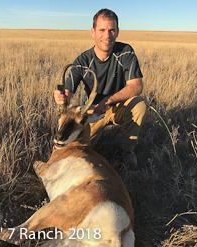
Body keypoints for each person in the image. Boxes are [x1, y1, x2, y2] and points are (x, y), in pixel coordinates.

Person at [54, 8, 147, 166]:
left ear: (117, 32)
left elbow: (137, 86)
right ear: (93, 32)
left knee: (139, 104)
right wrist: (62, 96)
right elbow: (68, 92)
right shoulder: (82, 61)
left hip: (117, 106)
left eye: (112, 30)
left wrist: (108, 100)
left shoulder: (125, 52)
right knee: (77, 153)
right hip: (93, 112)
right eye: (102, 30)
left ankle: (127, 150)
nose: (107, 35)